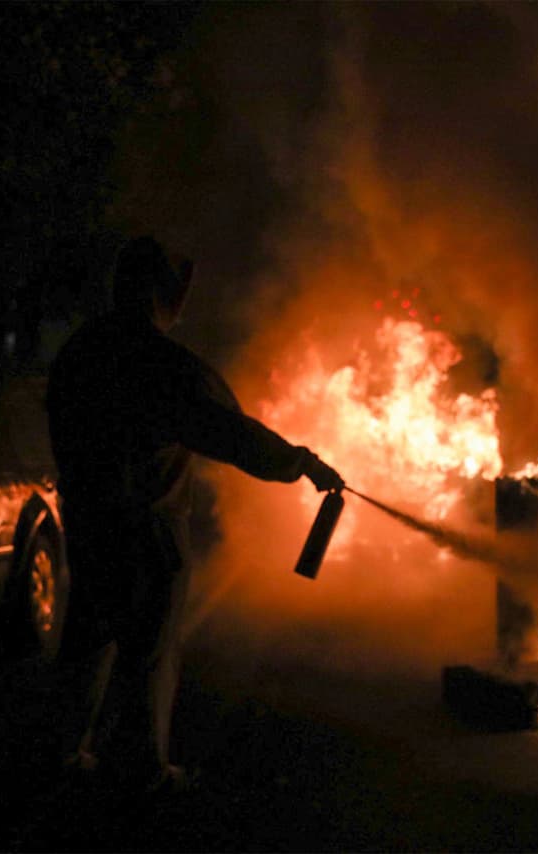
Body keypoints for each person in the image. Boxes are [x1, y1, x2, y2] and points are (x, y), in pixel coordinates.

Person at [46, 236, 343, 793]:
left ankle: (63, 753)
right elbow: (228, 433)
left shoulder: (82, 351)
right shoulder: (160, 363)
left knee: (87, 640)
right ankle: (140, 773)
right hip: (146, 535)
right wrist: (300, 462)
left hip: (87, 524)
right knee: (150, 656)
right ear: (160, 294)